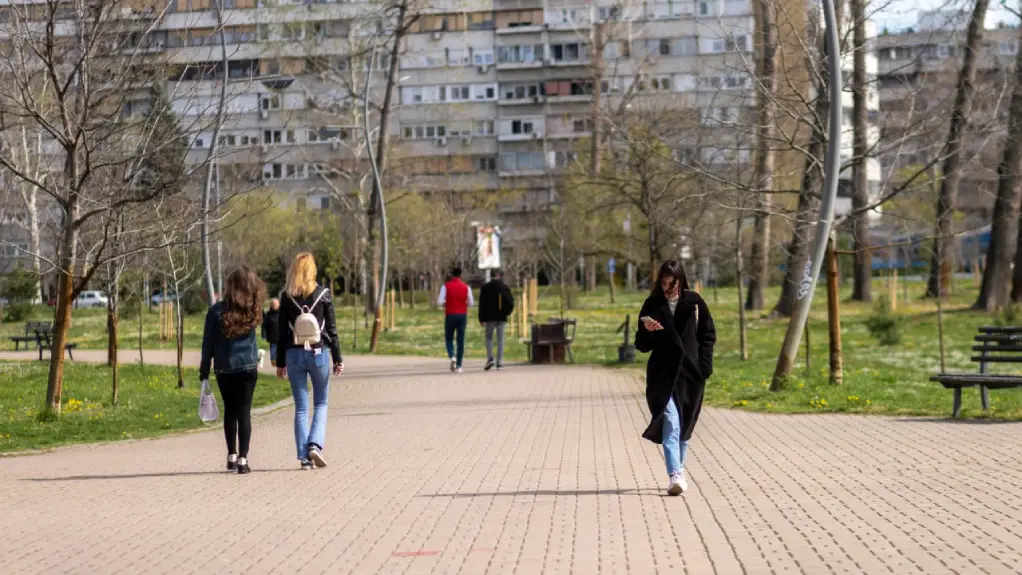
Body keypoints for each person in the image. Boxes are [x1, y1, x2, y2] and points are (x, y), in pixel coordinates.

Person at [635, 260, 716, 496]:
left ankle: (678, 470)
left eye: (671, 283)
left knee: (684, 427)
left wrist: (704, 367)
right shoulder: (652, 304)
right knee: (671, 422)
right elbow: (640, 345)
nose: (666, 287)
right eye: (663, 282)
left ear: (680, 280)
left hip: (690, 374)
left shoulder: (694, 303)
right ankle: (675, 475)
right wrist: (647, 332)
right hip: (662, 374)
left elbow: (707, 336)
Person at [276, 253, 344, 470]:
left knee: (301, 408)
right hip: (319, 354)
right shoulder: (323, 294)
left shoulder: (286, 297)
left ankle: (304, 457)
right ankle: (315, 445)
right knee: (322, 403)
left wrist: (280, 363)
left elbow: (281, 333)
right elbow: (332, 330)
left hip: (294, 355)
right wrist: (337, 358)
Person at [200, 266, 267, 475]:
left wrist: (204, 370)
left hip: (225, 367)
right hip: (248, 366)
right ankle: (243, 460)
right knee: (244, 412)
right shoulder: (253, 309)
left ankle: (231, 455)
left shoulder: (216, 311)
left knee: (230, 410)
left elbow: (208, 343)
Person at [438, 266, 474, 373]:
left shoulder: (446, 286)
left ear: (452, 274)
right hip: (462, 315)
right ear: (461, 275)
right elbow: (471, 303)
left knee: (449, 338)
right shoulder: (466, 287)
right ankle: (459, 365)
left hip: (450, 314)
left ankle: (452, 355)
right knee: (460, 340)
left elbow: (440, 302)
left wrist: (446, 303)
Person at [478, 270, 515, 371]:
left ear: (490, 276)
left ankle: (490, 358)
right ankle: (500, 362)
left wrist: (481, 318)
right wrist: (507, 312)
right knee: (500, 339)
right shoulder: (504, 287)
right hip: (502, 316)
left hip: (489, 317)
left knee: (489, 338)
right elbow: (511, 301)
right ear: (498, 276)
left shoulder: (485, 288)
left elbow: (481, 304)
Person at [261, 298, 280, 367]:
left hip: (280, 334)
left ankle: (280, 361)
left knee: (280, 348)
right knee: (273, 348)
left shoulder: (281, 313)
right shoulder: (268, 314)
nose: (275, 305)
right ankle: (273, 361)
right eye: (273, 304)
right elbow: (264, 325)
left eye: (276, 304)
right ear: (271, 305)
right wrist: (263, 334)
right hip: (272, 335)